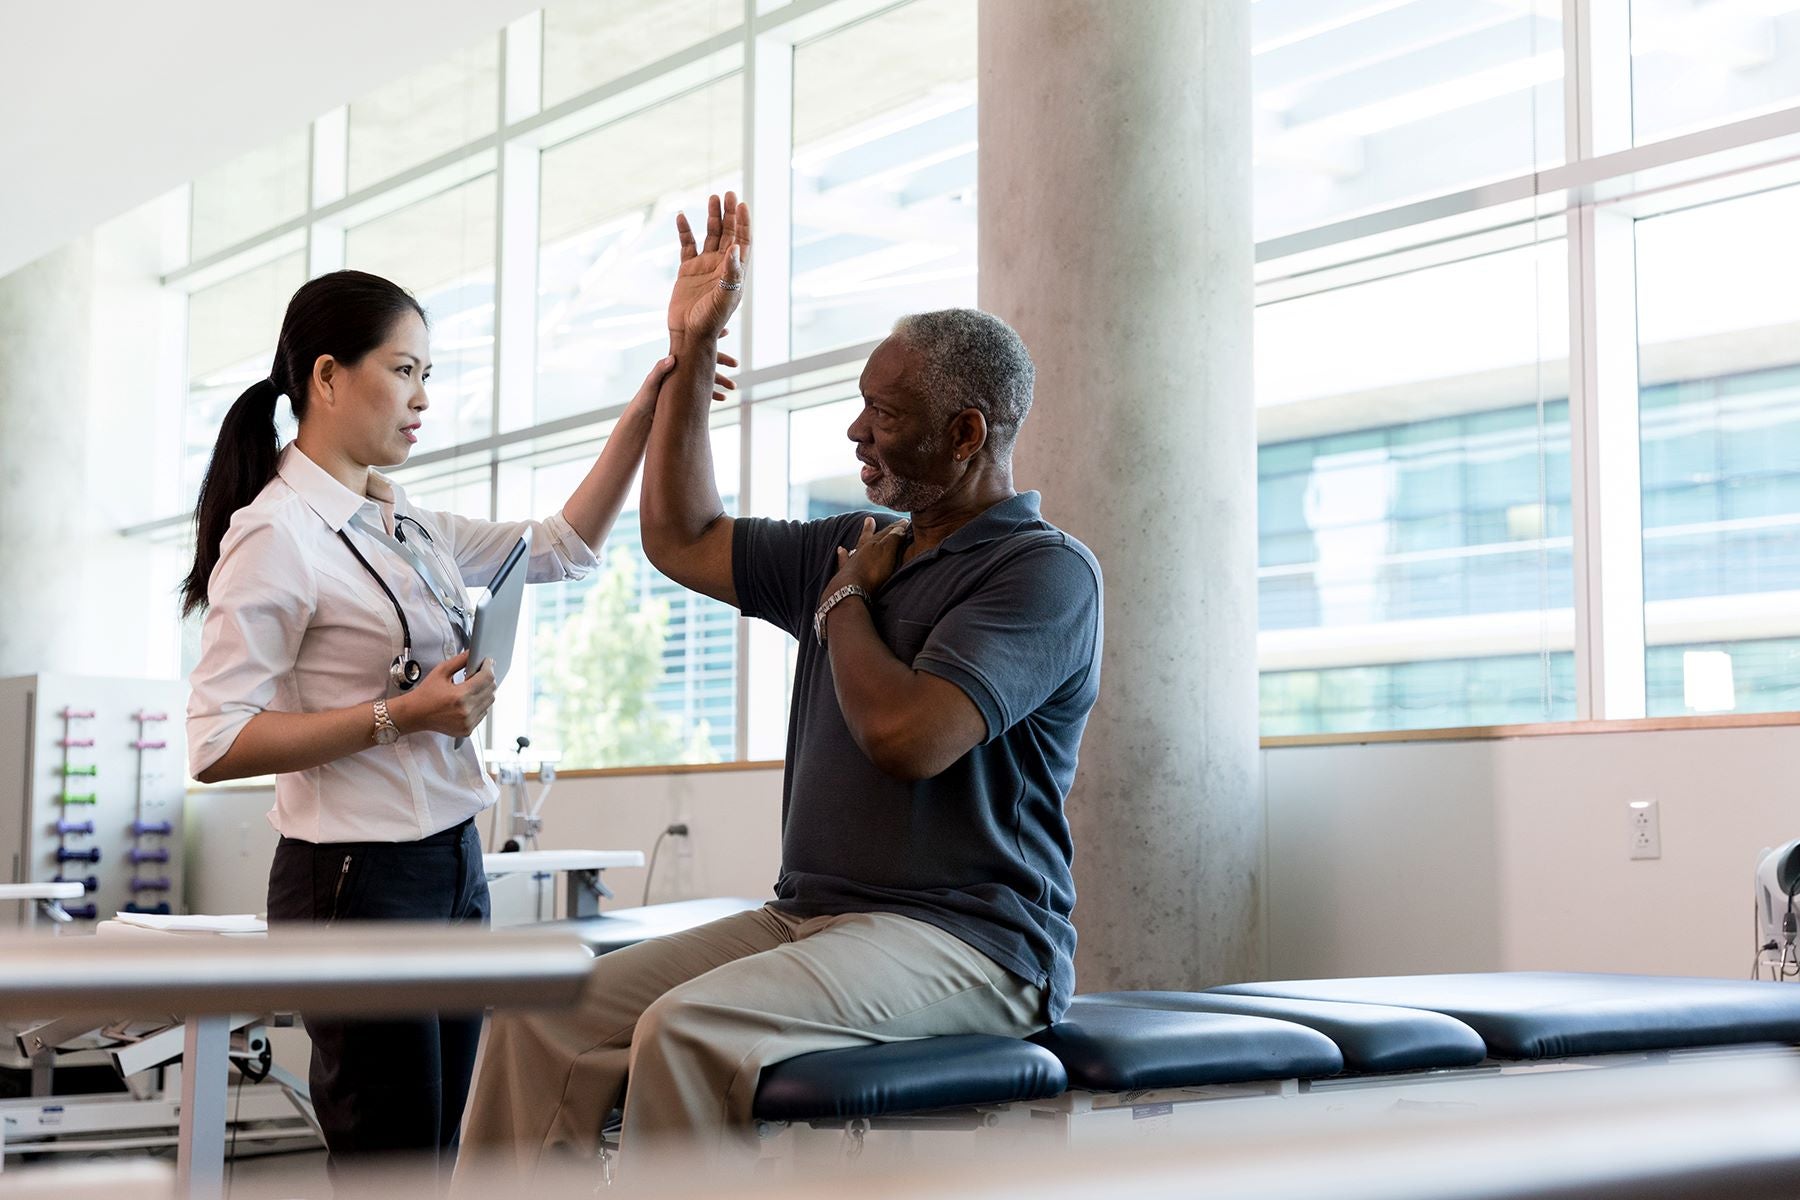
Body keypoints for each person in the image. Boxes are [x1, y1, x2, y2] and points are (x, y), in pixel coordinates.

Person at [456, 194, 1104, 1181]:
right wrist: (692, 343)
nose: (856, 431)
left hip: (972, 946)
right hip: (809, 918)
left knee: (687, 1031)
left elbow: (911, 737)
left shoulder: (1041, 572)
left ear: (966, 432)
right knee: (541, 1013)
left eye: (884, 415)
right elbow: (681, 535)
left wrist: (845, 605)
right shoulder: (854, 545)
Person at [182, 268, 735, 1176]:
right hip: (353, 885)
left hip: (449, 863)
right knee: (390, 1162)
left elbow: (558, 548)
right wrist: (399, 717)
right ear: (327, 377)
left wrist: (650, 404)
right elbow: (214, 741)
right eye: (404, 372)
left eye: (427, 375)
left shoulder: (403, 522)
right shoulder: (276, 536)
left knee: (447, 1154)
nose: (423, 399)